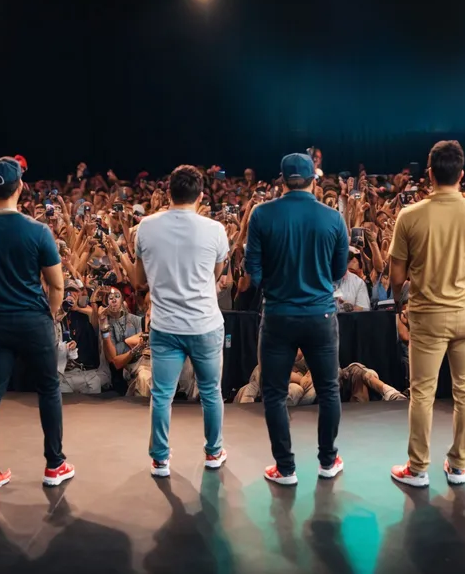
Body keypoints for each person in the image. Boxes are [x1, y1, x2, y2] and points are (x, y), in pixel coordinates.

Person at [0, 157, 74, 506]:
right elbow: (57, 285)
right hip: (33, 321)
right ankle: (54, 465)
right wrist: (48, 317)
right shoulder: (37, 231)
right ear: (20, 186)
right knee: (48, 391)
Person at [388, 140, 465, 488]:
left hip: (427, 316)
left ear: (430, 173)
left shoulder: (410, 216)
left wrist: (399, 302)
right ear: (462, 174)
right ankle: (459, 466)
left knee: (422, 393)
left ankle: (418, 468)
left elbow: (396, 277)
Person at [246, 152, 349, 485]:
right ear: (313, 181)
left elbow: (253, 271)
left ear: (282, 180)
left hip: (278, 315)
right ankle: (328, 462)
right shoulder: (333, 218)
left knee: (274, 394)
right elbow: (339, 271)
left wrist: (277, 285)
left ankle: (285, 468)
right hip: (320, 314)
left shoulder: (261, 214)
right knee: (329, 391)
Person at [134, 164, 229, 477]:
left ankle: (160, 459)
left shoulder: (146, 227)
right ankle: (214, 452)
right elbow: (216, 273)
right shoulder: (215, 230)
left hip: (165, 326)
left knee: (162, 395)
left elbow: (139, 280)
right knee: (211, 392)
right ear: (200, 196)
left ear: (168, 193)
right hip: (205, 325)